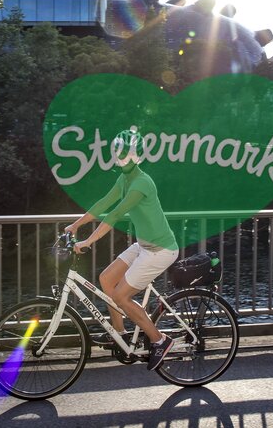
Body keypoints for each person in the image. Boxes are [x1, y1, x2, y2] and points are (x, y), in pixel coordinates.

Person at [65, 127, 180, 370]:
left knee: (120, 296)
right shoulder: (124, 178)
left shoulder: (141, 182)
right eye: (118, 152)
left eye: (126, 152)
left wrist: (88, 242)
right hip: (144, 245)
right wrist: (75, 226)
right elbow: (104, 203)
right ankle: (121, 335)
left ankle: (160, 340)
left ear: (136, 154)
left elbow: (115, 214)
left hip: (160, 250)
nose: (121, 156)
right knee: (106, 279)